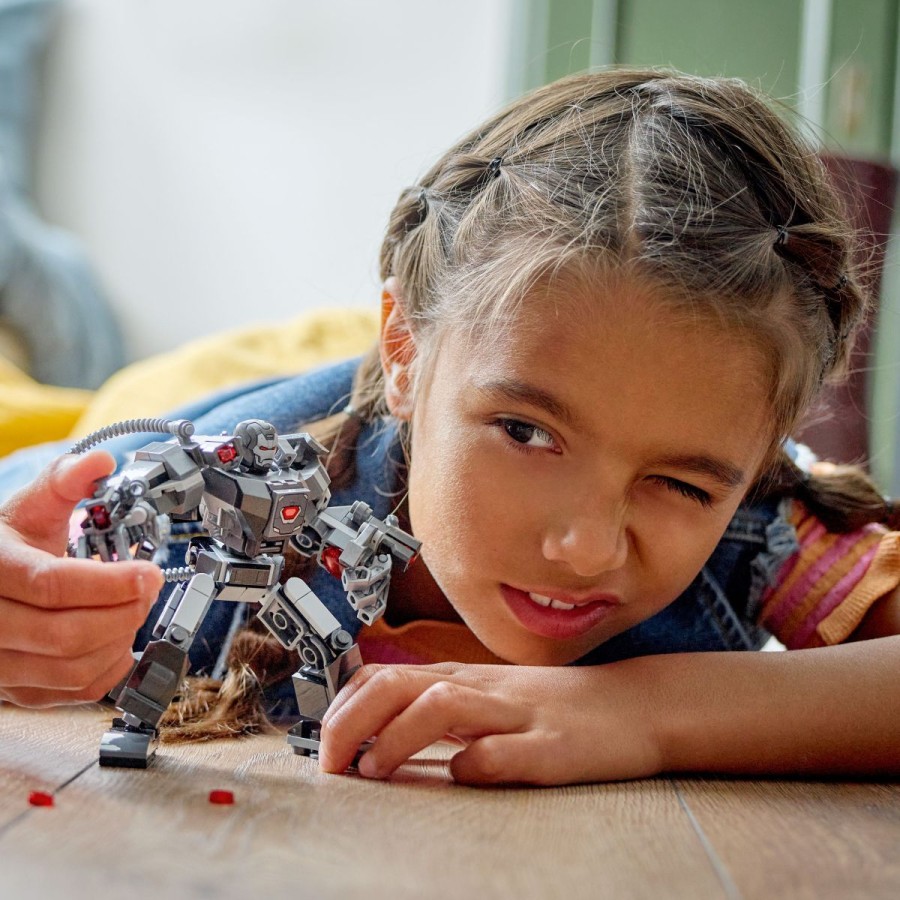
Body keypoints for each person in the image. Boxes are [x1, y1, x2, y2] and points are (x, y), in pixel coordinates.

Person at [1, 68, 898, 785]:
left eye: (682, 484)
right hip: (243, 388)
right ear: (403, 349)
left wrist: (645, 712)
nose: (585, 548)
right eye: (524, 431)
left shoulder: (764, 526)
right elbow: (30, 521)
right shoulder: (191, 510)